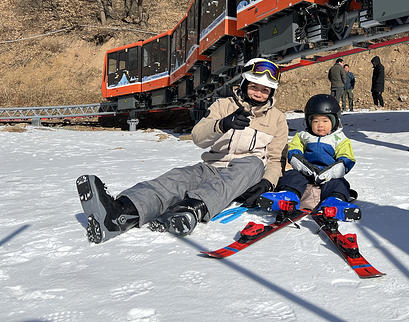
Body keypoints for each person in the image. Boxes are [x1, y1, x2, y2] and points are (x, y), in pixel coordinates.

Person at [75, 58, 289, 243]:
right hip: (213, 166)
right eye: (254, 87)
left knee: (252, 163)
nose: (259, 94)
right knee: (177, 178)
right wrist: (222, 124)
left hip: (246, 174)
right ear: (244, 84)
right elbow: (198, 137)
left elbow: (276, 157)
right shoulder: (223, 106)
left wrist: (266, 182)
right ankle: (121, 213)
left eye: (265, 90)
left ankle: (192, 208)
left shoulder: (277, 118)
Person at [257, 94, 360, 221]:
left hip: (328, 175)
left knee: (340, 184)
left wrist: (332, 172)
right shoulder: (303, 136)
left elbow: (347, 158)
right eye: (315, 121)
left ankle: (334, 203)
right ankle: (288, 196)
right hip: (306, 171)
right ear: (309, 121)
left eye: (325, 121)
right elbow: (294, 150)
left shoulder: (339, 139)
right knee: (292, 176)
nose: (320, 125)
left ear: (334, 121)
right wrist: (302, 165)